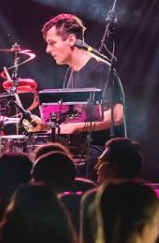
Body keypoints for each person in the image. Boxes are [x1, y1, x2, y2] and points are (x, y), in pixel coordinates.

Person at [39, 13, 124, 145]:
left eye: (52, 43)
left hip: (104, 151)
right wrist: (43, 124)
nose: (48, 50)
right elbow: (73, 118)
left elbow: (117, 116)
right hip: (83, 150)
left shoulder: (100, 68)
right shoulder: (70, 72)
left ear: (71, 40)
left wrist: (75, 127)